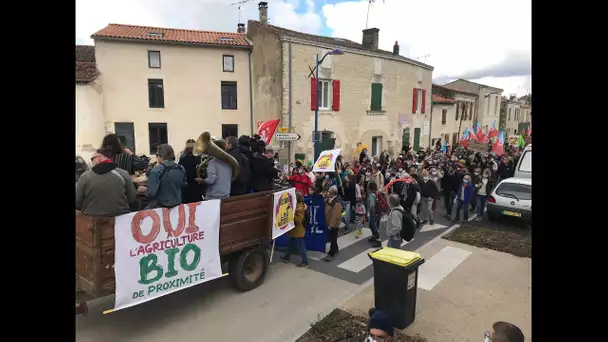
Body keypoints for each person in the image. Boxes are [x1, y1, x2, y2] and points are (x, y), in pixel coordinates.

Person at [76, 149, 137, 216]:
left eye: (92, 159)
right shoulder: (123, 174)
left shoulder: (85, 177)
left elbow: (77, 202)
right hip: (119, 218)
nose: (92, 162)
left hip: (92, 220)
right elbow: (132, 198)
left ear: (99, 158)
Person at [146, 144, 187, 208]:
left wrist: (145, 189)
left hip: (161, 206)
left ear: (161, 156)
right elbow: (183, 184)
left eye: (157, 155)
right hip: (178, 204)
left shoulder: (157, 170)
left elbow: (151, 193)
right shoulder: (181, 168)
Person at [280, 191, 309, 267]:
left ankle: (305, 261)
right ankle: (287, 257)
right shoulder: (297, 205)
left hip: (299, 230)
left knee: (301, 247)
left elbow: (299, 220)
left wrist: (291, 213)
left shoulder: (300, 208)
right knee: (289, 243)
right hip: (294, 230)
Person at [178, 139, 203, 203]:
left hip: (186, 185)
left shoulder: (182, 157)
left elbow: (179, 170)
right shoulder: (199, 157)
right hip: (196, 185)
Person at [323, 185, 343, 262]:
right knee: (332, 237)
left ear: (332, 193)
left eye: (328, 192)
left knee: (333, 237)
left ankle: (331, 253)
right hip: (329, 222)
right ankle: (336, 248)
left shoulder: (337, 202)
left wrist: (331, 225)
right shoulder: (330, 200)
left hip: (334, 224)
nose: (327, 193)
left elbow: (335, 216)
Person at [367, 182, 381, 248]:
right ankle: (374, 236)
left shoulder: (371, 195)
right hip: (377, 213)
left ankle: (378, 240)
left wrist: (369, 211)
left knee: (374, 226)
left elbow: (372, 205)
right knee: (373, 225)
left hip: (373, 213)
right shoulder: (376, 193)